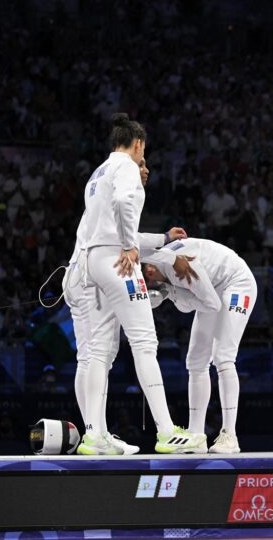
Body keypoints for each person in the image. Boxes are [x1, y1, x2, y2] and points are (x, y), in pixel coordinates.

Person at [70, 113, 204, 455]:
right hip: (116, 261)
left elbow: (105, 225)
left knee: (96, 352)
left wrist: (158, 238)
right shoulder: (127, 166)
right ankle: (165, 431)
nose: (143, 165)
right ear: (138, 143)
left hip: (90, 264)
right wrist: (131, 245)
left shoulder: (98, 173)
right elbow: (124, 204)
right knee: (145, 342)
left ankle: (94, 434)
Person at [142, 235, 258, 454]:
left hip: (237, 284)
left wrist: (170, 294)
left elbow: (211, 304)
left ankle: (229, 435)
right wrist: (168, 293)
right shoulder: (157, 260)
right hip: (212, 287)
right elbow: (136, 248)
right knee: (195, 361)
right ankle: (196, 436)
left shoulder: (182, 268)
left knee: (223, 357)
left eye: (148, 286)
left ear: (149, 272)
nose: (150, 288)